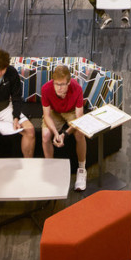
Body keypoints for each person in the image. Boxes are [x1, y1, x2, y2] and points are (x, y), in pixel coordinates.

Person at [41, 63, 88, 191]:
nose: (59, 88)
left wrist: (64, 134)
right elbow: (46, 115)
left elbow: (79, 118)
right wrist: (56, 134)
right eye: (56, 84)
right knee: (45, 135)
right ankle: (50, 169)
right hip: (54, 112)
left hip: (71, 112)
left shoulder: (77, 88)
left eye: (62, 84)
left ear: (68, 83)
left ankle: (82, 169)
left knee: (79, 133)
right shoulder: (46, 88)